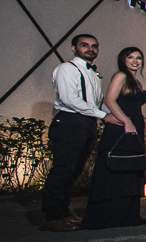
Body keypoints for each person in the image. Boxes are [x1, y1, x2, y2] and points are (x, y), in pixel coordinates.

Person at [41, 34, 108, 231]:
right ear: (73, 48)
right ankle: (52, 217)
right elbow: (70, 99)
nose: (90, 49)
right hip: (70, 122)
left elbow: (97, 102)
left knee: (74, 171)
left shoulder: (94, 74)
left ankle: (63, 213)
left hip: (87, 123)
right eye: (84, 45)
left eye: (94, 46)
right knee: (62, 170)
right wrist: (103, 115)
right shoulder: (66, 69)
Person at [82, 46, 146, 230]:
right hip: (121, 129)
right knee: (116, 168)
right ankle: (107, 216)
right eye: (131, 57)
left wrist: (141, 118)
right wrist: (127, 121)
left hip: (133, 128)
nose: (135, 61)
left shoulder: (135, 81)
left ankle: (127, 215)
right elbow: (109, 101)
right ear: (123, 60)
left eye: (139, 58)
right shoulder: (120, 76)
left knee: (130, 169)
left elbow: (130, 104)